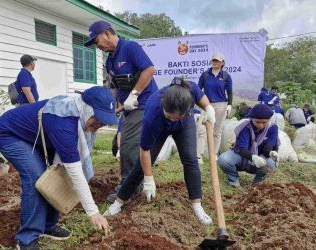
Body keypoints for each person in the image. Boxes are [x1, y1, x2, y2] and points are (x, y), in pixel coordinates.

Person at [0, 86, 116, 250]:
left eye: (105, 120)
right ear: (86, 108)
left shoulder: (79, 116)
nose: (100, 124)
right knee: (36, 177)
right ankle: (26, 238)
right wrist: (93, 212)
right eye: (97, 117)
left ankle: (48, 226)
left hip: (39, 136)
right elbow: (76, 173)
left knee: (55, 176)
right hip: (10, 134)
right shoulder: (64, 123)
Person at [103, 77, 216, 225]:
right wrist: (149, 178)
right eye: (169, 116)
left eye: (176, 117)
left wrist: (208, 108)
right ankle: (117, 204)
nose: (172, 120)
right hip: (159, 128)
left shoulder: (189, 89)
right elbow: (145, 150)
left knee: (190, 160)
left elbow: (201, 97)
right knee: (139, 168)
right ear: (164, 106)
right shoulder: (153, 112)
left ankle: (197, 206)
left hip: (184, 126)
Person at [84, 20, 158, 201]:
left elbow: (149, 69)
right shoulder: (110, 61)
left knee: (128, 146)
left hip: (144, 104)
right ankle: (132, 183)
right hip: (128, 107)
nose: (97, 45)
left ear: (107, 34)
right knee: (123, 144)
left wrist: (134, 94)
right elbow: (115, 88)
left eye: (96, 40)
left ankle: (130, 188)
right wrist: (108, 107)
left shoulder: (130, 47)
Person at [218, 104, 279, 187]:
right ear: (252, 119)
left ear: (269, 119)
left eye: (264, 122)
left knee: (271, 163)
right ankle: (233, 179)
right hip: (243, 157)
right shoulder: (245, 127)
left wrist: (271, 152)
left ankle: (258, 184)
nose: (261, 125)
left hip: (261, 158)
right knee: (224, 159)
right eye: (257, 122)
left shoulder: (273, 128)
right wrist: (253, 157)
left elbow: (267, 148)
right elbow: (242, 148)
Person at [198, 52, 233, 156]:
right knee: (201, 129)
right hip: (206, 105)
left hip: (221, 105)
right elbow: (198, 89)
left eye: (217, 61)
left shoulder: (226, 76)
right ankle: (198, 154)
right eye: (213, 60)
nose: (215, 62)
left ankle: (213, 154)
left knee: (217, 131)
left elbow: (230, 91)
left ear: (222, 62)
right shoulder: (205, 75)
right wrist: (199, 102)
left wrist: (229, 104)